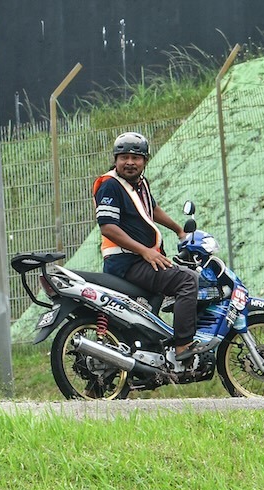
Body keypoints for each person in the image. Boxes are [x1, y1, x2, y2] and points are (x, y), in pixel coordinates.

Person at [93, 132, 209, 361]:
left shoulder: (139, 183)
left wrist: (179, 230)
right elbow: (108, 228)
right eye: (124, 157)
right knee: (187, 280)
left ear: (145, 161)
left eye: (136, 158)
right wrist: (145, 251)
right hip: (126, 262)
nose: (129, 162)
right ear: (115, 159)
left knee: (181, 280)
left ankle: (154, 348)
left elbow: (151, 208)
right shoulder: (110, 186)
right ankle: (183, 346)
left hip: (140, 259)